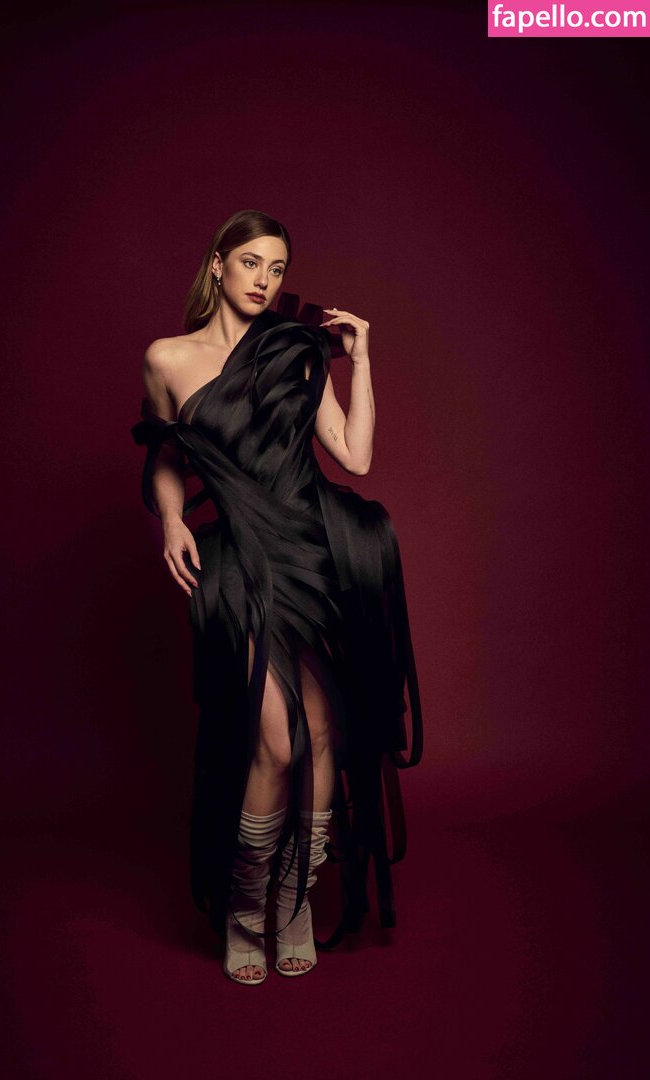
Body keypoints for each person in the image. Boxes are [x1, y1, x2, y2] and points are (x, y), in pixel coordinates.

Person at [131, 209, 423, 986]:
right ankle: (243, 905)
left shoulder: (295, 349)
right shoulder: (167, 358)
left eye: (278, 267)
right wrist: (171, 521)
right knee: (275, 742)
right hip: (241, 561)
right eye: (251, 262)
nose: (264, 280)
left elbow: (354, 456)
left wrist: (360, 360)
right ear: (217, 264)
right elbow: (164, 456)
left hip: (316, 552)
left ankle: (293, 901)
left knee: (322, 735)